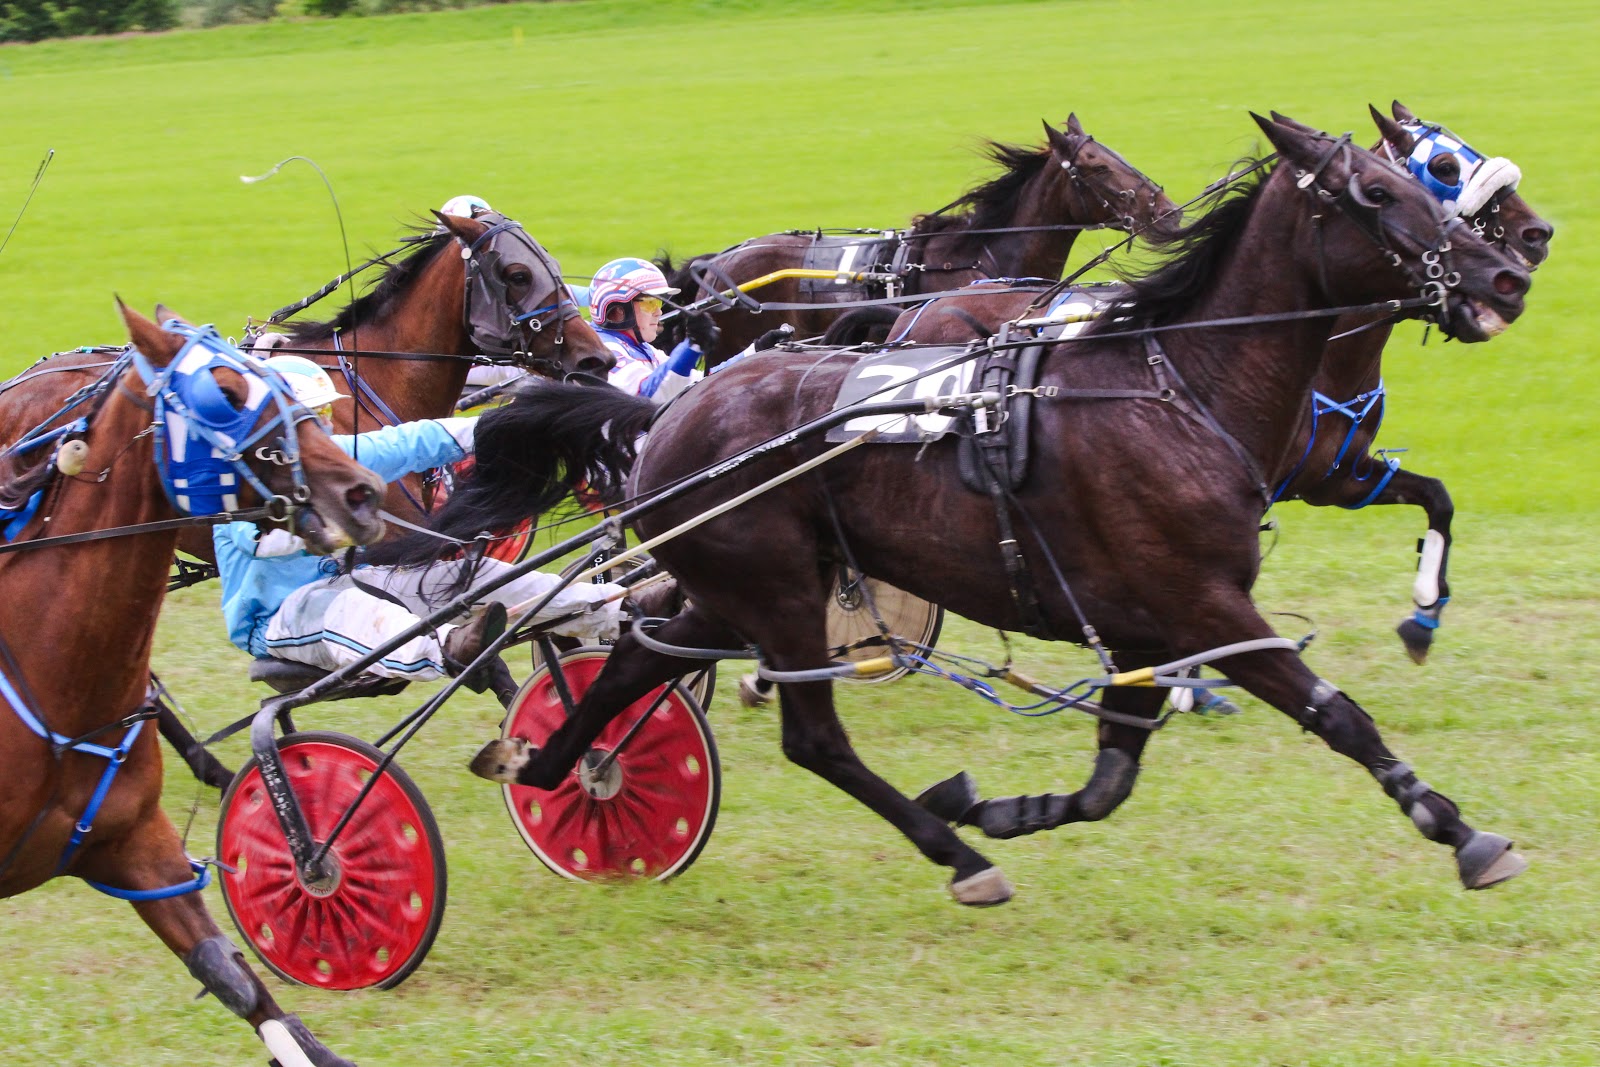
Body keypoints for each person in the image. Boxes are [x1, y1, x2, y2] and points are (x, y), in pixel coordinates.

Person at [215, 355, 625, 699]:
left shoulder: (331, 459)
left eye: (325, 414)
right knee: (353, 610)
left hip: (347, 582)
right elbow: (261, 542)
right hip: (279, 617)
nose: (326, 427)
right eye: (316, 416)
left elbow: (409, 442)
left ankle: (614, 607)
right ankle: (450, 647)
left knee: (468, 573)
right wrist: (336, 527)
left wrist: (511, 424)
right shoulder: (235, 485)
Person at [590, 257, 719, 402]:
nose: (659, 312)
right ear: (619, 310)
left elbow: (701, 380)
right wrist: (692, 346)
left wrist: (748, 353)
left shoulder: (644, 349)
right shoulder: (605, 349)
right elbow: (650, 396)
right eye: (650, 303)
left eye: (659, 302)